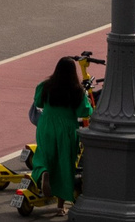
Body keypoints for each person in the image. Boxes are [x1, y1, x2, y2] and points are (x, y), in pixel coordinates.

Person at [31, 55, 91, 214]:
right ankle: (60, 206)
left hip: (47, 125)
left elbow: (38, 103)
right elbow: (84, 111)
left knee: (43, 156)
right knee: (65, 163)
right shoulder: (77, 90)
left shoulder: (45, 86)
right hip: (66, 128)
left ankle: (44, 172)